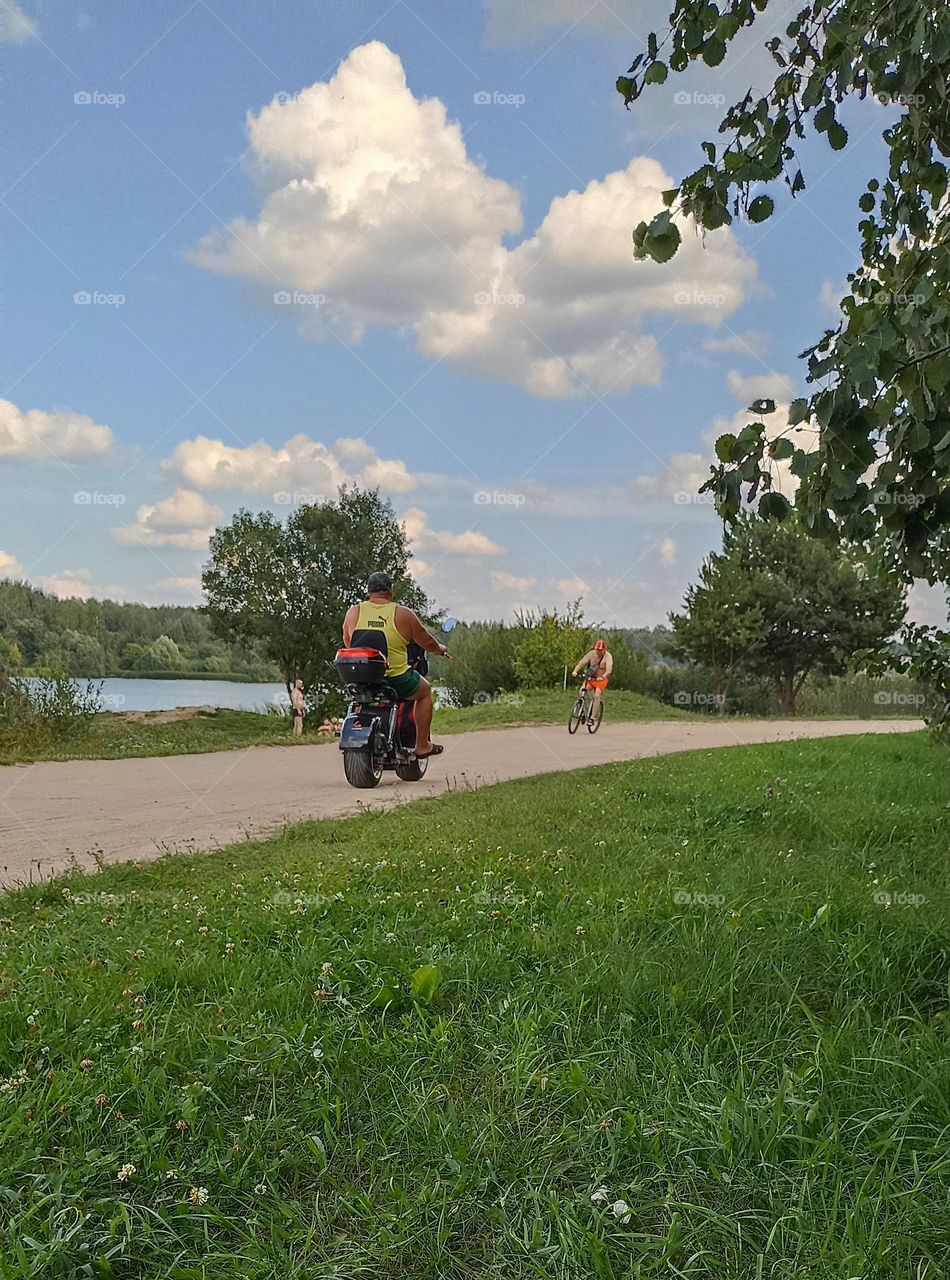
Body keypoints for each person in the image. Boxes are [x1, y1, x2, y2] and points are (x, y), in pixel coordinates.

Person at [342, 571, 451, 758]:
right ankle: (422, 745)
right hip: (394, 676)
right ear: (391, 590)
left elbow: (348, 642)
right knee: (425, 692)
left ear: (368, 591)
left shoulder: (354, 612)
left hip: (362, 677)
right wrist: (440, 649)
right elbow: (426, 642)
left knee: (359, 698)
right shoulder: (403, 613)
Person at [572, 638, 612, 724]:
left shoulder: (608, 657)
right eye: (597, 650)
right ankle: (582, 711)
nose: (598, 652)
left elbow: (609, 670)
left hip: (601, 680)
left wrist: (603, 676)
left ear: (604, 650)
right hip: (591, 679)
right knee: (582, 691)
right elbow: (582, 662)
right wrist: (575, 671)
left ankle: (592, 717)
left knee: (597, 695)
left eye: (600, 650)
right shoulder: (591, 654)